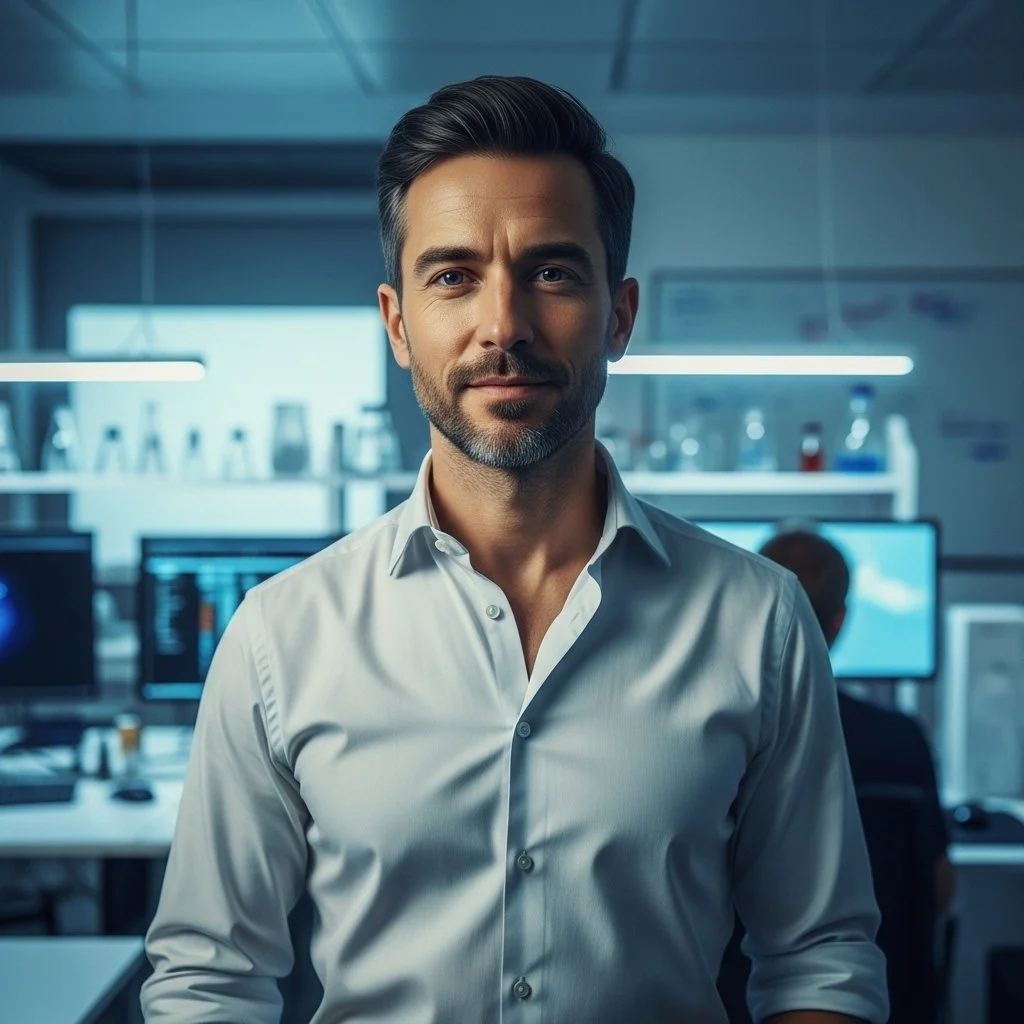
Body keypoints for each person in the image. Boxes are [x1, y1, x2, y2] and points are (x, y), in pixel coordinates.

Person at [141, 77, 888, 1023]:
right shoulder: (280, 636)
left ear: (619, 317)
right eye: (453, 275)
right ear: (397, 323)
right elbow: (211, 979)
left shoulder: (759, 618)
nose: (505, 325)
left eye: (553, 272)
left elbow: (819, 957)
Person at [757, 529, 954, 913]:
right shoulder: (902, 740)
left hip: (743, 972)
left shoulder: (711, 734)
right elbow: (939, 889)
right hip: (879, 968)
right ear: (839, 620)